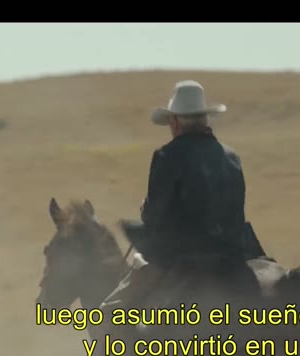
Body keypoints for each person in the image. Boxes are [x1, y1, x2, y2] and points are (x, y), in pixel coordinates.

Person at [101, 79, 268, 315]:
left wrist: (144, 208)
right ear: (205, 118)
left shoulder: (167, 156)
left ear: (175, 122)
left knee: (109, 313)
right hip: (236, 253)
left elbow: (153, 216)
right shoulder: (231, 157)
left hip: (184, 256)